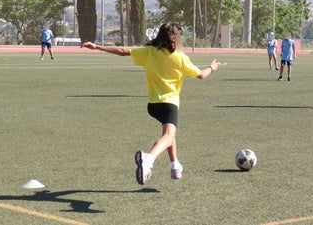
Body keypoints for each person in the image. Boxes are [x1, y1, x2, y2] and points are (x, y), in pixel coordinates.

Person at [81, 23, 219, 185]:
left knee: (169, 134)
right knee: (168, 136)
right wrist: (212, 67)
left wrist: (97, 46)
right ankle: (149, 159)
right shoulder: (180, 57)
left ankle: (175, 166)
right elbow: (201, 75)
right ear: (176, 38)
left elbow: (123, 51)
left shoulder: (149, 52)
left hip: (153, 105)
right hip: (169, 103)